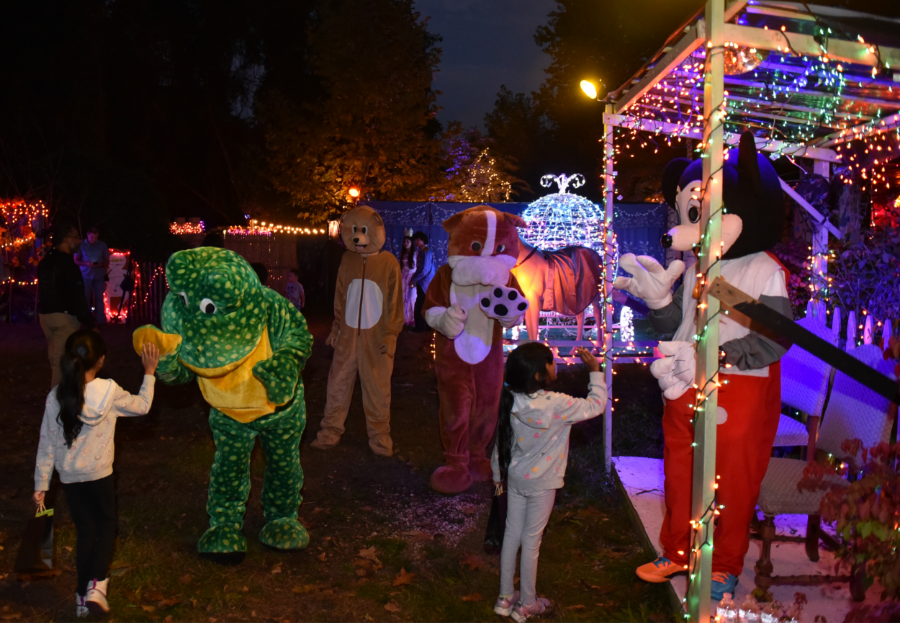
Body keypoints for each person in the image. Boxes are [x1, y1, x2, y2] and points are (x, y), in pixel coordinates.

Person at [33, 331, 158, 618]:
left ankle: (80, 598)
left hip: (70, 478)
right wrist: (149, 373)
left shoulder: (57, 395)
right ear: (100, 361)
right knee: (106, 526)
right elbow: (143, 406)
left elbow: (47, 441)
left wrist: (41, 482)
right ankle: (97, 585)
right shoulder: (110, 391)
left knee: (86, 531)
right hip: (100, 475)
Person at [491, 343, 607, 622]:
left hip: (516, 478)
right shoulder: (557, 404)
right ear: (540, 375)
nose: (556, 366)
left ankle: (505, 597)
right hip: (543, 483)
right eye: (551, 363)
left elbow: (501, 442)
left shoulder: (511, 399)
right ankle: (528, 603)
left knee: (511, 535)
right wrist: (595, 372)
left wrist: (497, 477)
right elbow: (597, 405)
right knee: (531, 541)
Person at [38, 223, 95, 388]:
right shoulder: (68, 265)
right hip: (63, 318)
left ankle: (59, 401)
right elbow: (77, 296)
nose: (79, 240)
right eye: (76, 237)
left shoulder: (45, 261)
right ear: (66, 239)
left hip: (46, 317)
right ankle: (57, 404)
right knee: (62, 364)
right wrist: (90, 323)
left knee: (54, 357)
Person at [74, 227, 109, 326]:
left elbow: (107, 259)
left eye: (95, 237)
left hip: (99, 275)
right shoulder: (81, 245)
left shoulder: (102, 245)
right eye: (92, 237)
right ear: (88, 235)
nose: (93, 239)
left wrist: (101, 265)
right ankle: (86, 320)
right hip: (86, 275)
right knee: (85, 298)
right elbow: (76, 259)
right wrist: (86, 264)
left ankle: (101, 320)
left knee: (99, 298)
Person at [408, 231, 434, 331]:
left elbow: (425, 269)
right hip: (422, 282)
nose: (415, 241)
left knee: (420, 305)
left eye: (417, 239)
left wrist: (414, 279)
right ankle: (422, 327)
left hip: (425, 282)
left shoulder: (426, 252)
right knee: (421, 304)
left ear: (422, 240)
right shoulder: (422, 251)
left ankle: (420, 328)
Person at [398, 236, 417, 325]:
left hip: (411, 277)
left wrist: (414, 279)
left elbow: (417, 267)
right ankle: (404, 319)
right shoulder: (402, 253)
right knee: (403, 297)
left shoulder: (415, 254)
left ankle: (412, 319)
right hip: (403, 277)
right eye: (404, 242)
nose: (405, 243)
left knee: (411, 297)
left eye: (407, 242)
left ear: (411, 243)